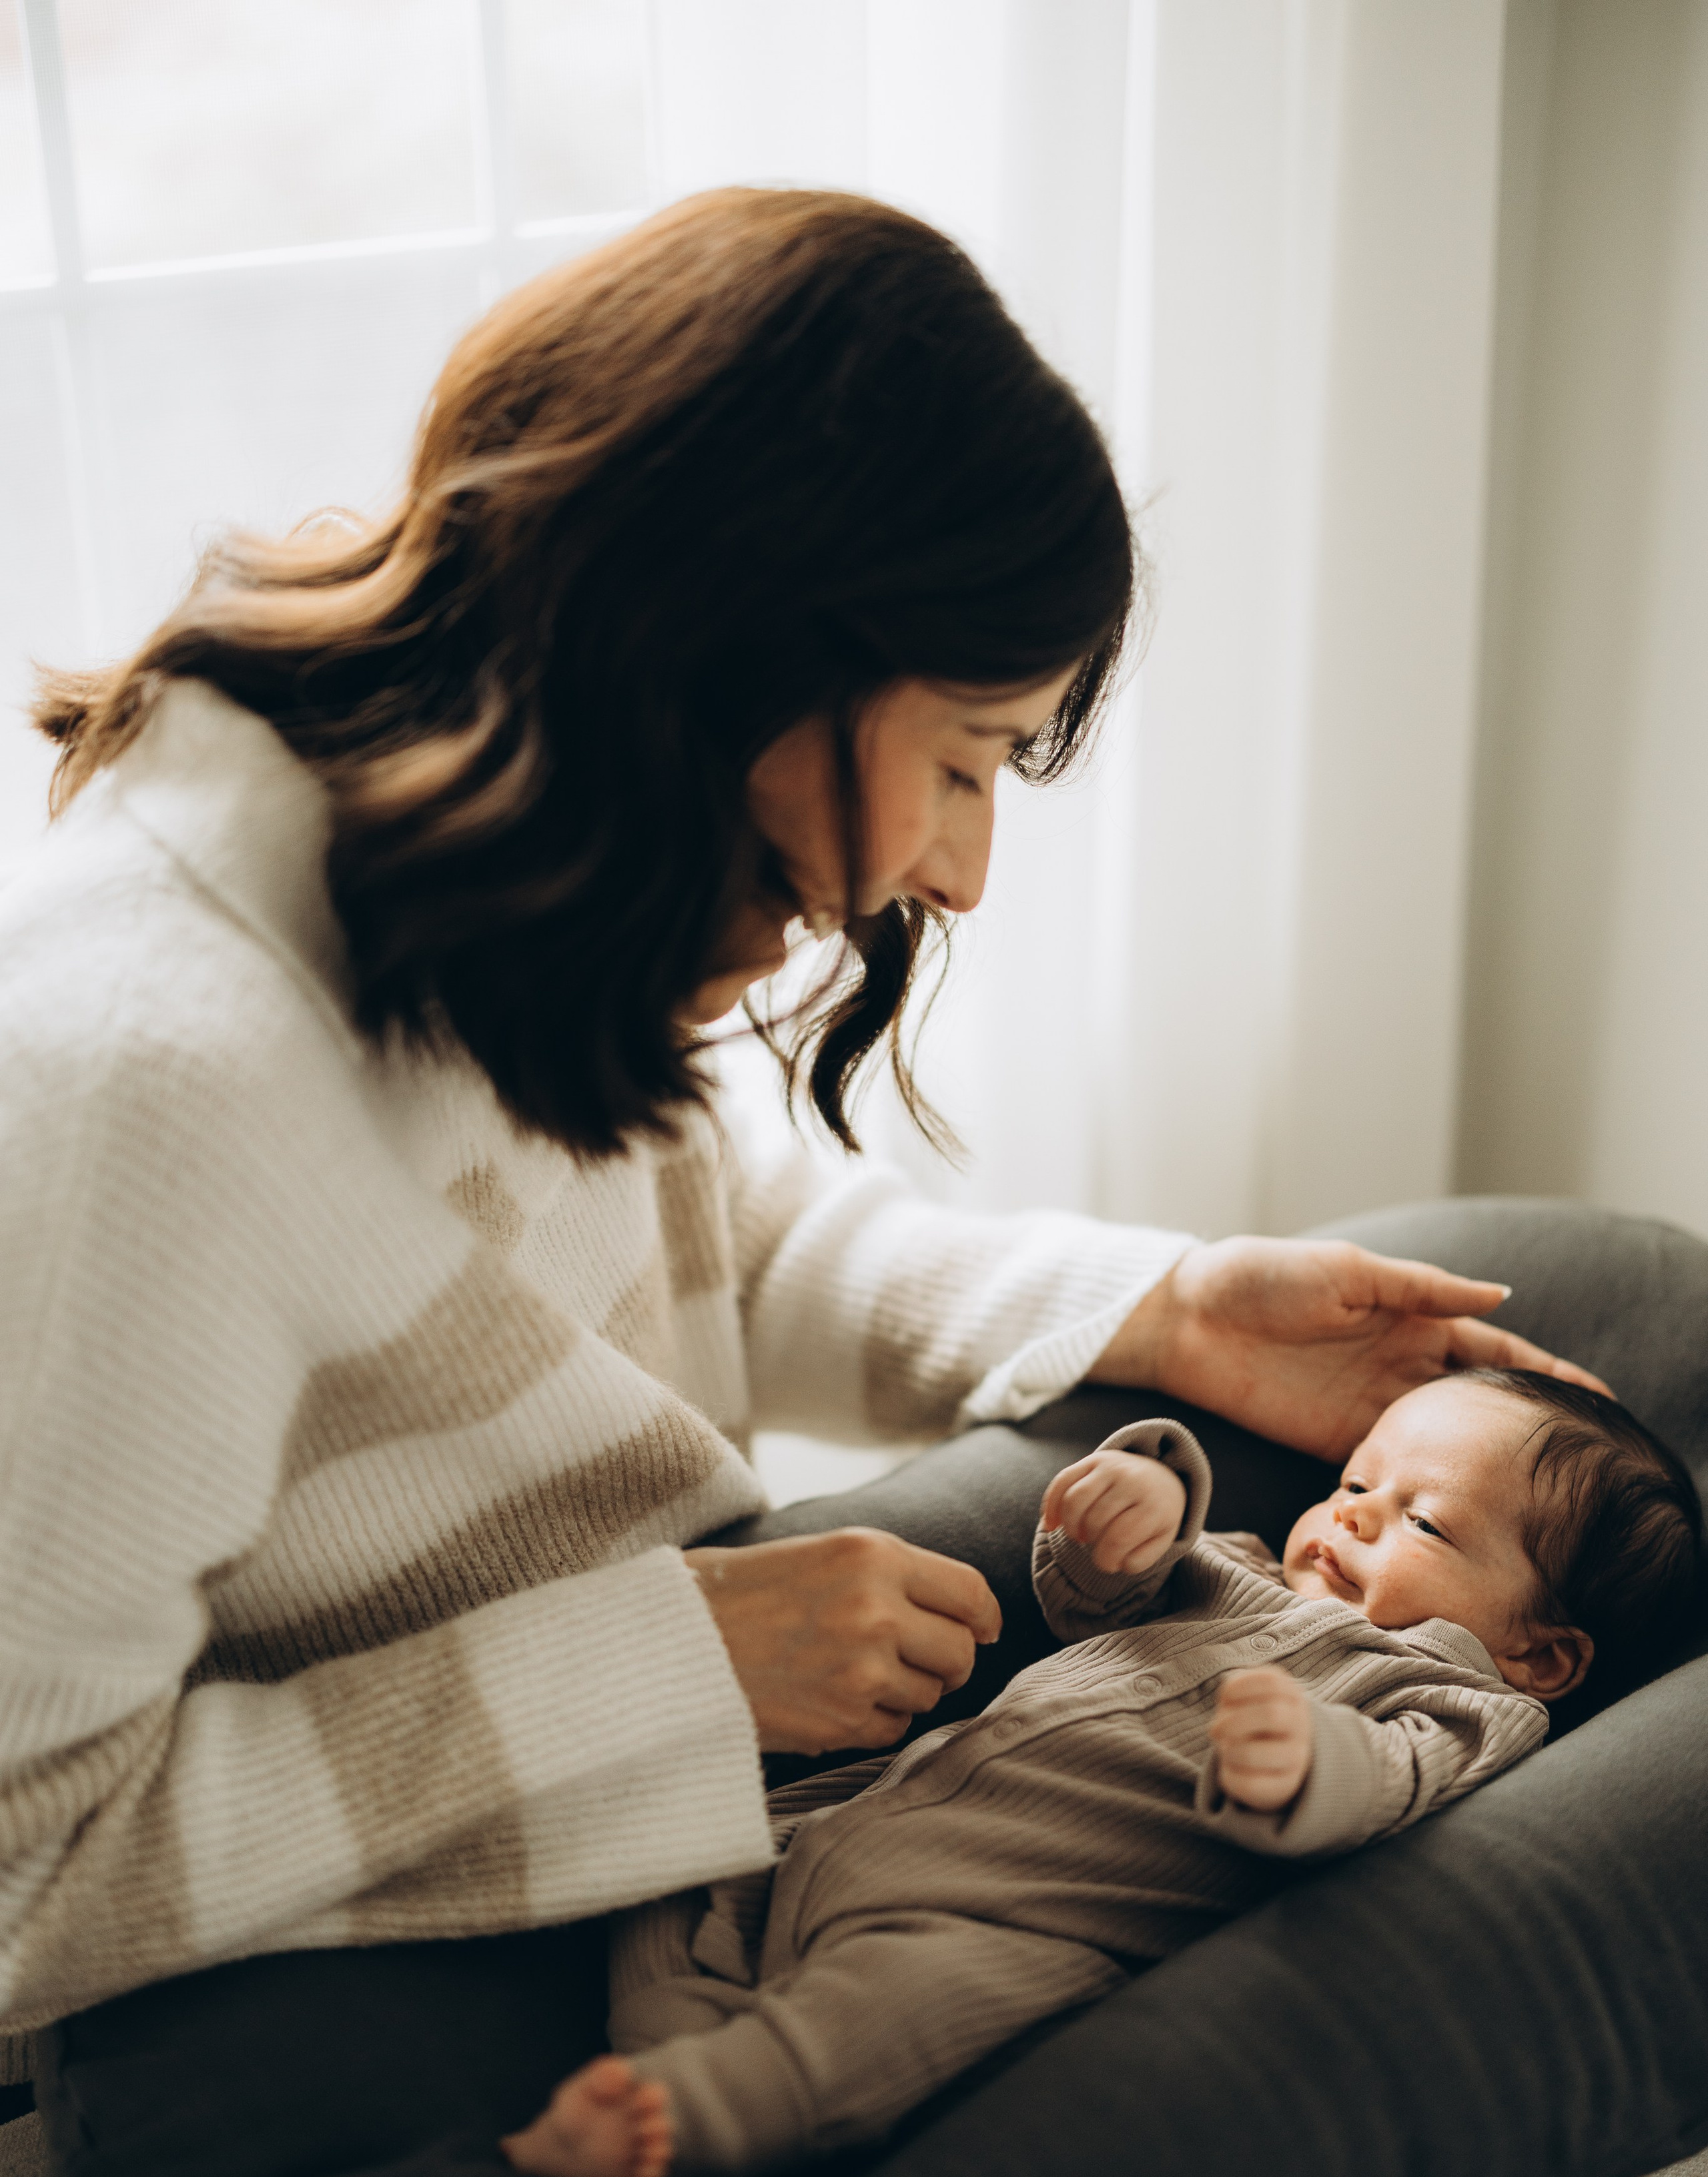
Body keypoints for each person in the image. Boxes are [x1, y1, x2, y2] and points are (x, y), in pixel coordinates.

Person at [3, 190, 1587, 2076]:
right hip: (364, 1969)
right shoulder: (146, 1105)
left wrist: (1158, 1313)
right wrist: (668, 1669)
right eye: (967, 759)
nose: (967, 871)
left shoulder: (471, 851)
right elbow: (30, 1864)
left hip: (688, 1817)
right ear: (736, 649)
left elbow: (691, 1245)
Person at [503, 1369, 1703, 2177]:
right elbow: (1093, 1605)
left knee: (898, 2013)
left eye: (1425, 1526)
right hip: (868, 1811)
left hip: (1019, 1917)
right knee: (680, 1847)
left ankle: (714, 2114)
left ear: (1543, 1652)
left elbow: (1393, 1780)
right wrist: (1133, 1513)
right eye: (1351, 1483)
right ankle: (669, 2020)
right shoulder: (1237, 1568)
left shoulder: (1458, 1699)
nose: (1348, 1520)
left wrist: (1302, 1764)